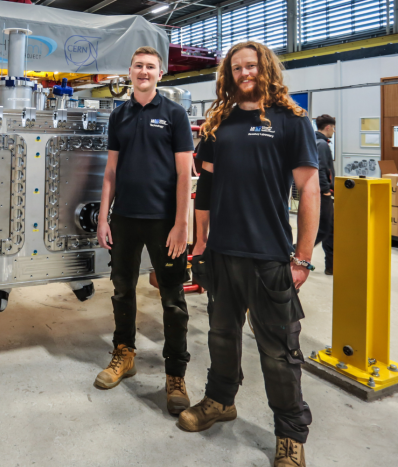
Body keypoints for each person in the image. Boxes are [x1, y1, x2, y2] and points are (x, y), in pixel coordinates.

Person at [182, 41, 320, 467]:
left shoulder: (291, 121)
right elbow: (203, 188)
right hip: (222, 253)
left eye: (252, 66)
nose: (245, 73)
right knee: (221, 337)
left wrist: (301, 257)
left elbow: (309, 189)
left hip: (270, 258)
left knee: (279, 353)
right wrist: (200, 243)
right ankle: (221, 401)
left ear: (267, 69)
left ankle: (290, 434)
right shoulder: (217, 123)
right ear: (228, 75)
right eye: (237, 68)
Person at [95, 46, 195, 416]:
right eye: (138, 66)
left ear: (160, 73)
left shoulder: (174, 114)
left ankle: (175, 374)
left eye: (150, 67)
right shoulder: (119, 115)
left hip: (164, 221)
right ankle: (124, 354)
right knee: (122, 290)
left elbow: (186, 173)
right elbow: (111, 172)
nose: (144, 71)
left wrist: (182, 223)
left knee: (172, 299)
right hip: (125, 218)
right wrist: (104, 217)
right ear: (130, 71)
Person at [315, 114, 335, 275]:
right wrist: (326, 191)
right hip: (323, 194)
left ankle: (331, 265)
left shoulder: (317, 142)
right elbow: (321, 169)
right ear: (327, 127)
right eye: (333, 128)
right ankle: (290, 252)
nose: (334, 131)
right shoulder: (321, 144)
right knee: (323, 230)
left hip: (323, 193)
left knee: (329, 230)